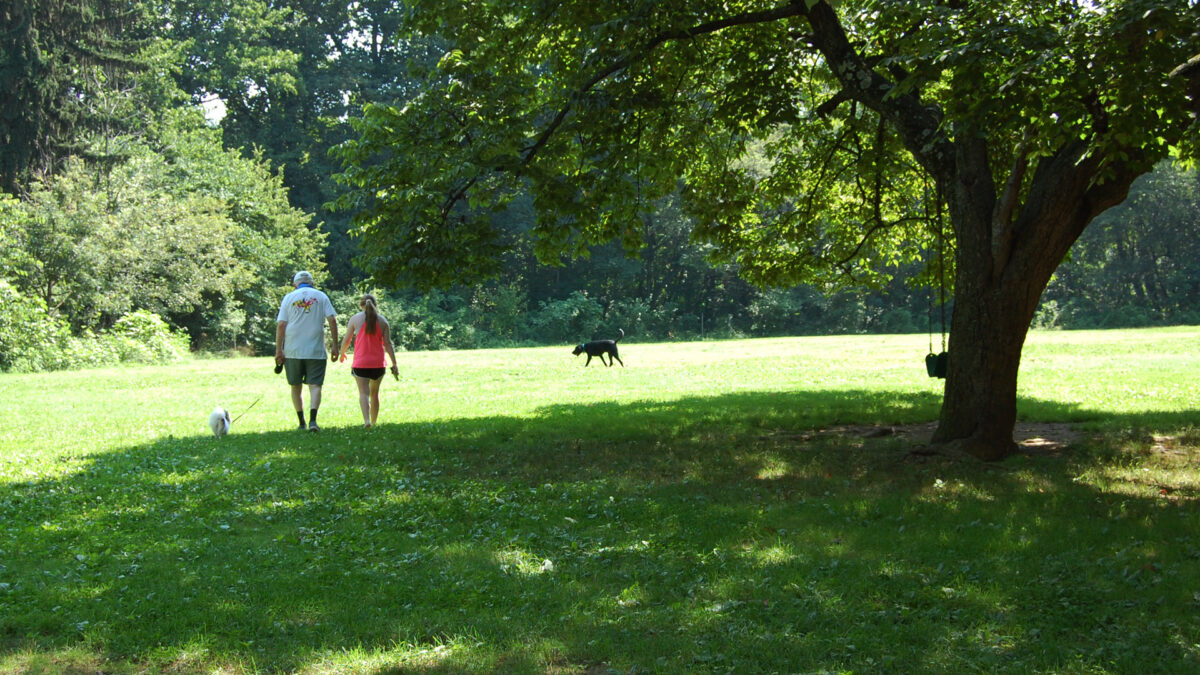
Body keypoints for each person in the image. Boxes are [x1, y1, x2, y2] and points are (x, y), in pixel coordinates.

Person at [275, 271, 339, 431]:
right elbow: (332, 319)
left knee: (295, 386)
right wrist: (335, 345)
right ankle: (313, 421)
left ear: (295, 284)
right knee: (315, 385)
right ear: (312, 283)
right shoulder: (321, 296)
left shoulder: (288, 298)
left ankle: (301, 422)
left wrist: (279, 350)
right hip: (315, 350)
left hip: (292, 350)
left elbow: (281, 324)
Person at [338, 294, 399, 428]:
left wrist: (342, 354)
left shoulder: (355, 319)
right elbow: (388, 344)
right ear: (375, 305)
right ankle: (375, 421)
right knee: (375, 393)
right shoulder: (383, 321)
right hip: (378, 364)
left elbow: (347, 340)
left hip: (361, 363)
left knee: (363, 393)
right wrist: (394, 363)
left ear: (361, 305)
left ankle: (367, 421)